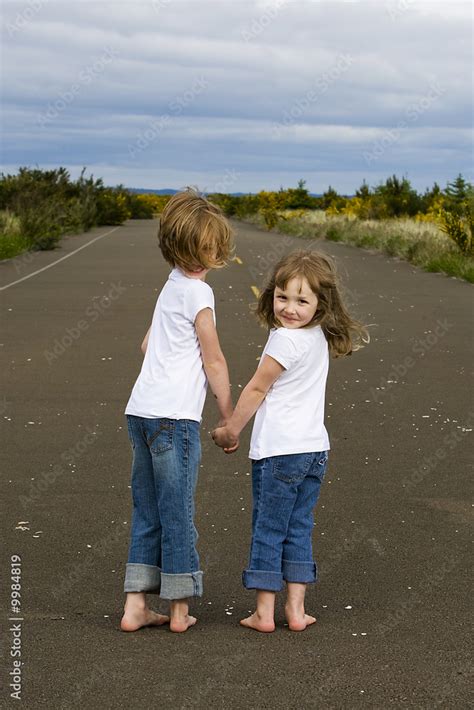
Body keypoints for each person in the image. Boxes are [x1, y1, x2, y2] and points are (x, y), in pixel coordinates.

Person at [212, 250, 368, 632]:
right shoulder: (318, 337)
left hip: (280, 453)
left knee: (269, 528)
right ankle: (296, 611)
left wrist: (231, 428)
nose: (290, 308)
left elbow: (257, 388)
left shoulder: (284, 341)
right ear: (272, 295)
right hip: (314, 450)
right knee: (298, 527)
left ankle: (264, 612)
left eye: (302, 301)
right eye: (283, 297)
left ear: (320, 304)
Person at [121, 188, 235, 633]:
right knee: (178, 511)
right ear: (206, 252)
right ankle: (180, 610)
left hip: (141, 411)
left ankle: (135, 604)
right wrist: (228, 415)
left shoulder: (169, 287)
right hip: (175, 419)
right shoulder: (199, 294)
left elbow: (147, 343)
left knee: (147, 509)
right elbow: (214, 359)